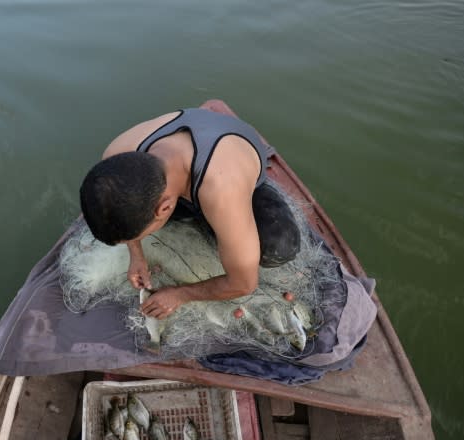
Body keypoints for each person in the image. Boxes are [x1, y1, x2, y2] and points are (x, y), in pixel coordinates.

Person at [79, 107, 301, 319]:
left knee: (278, 247)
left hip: (228, 171)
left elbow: (244, 284)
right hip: (180, 178)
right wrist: (136, 255)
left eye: (138, 238)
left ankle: (233, 216)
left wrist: (179, 294)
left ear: (164, 208)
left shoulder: (222, 189)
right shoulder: (116, 156)